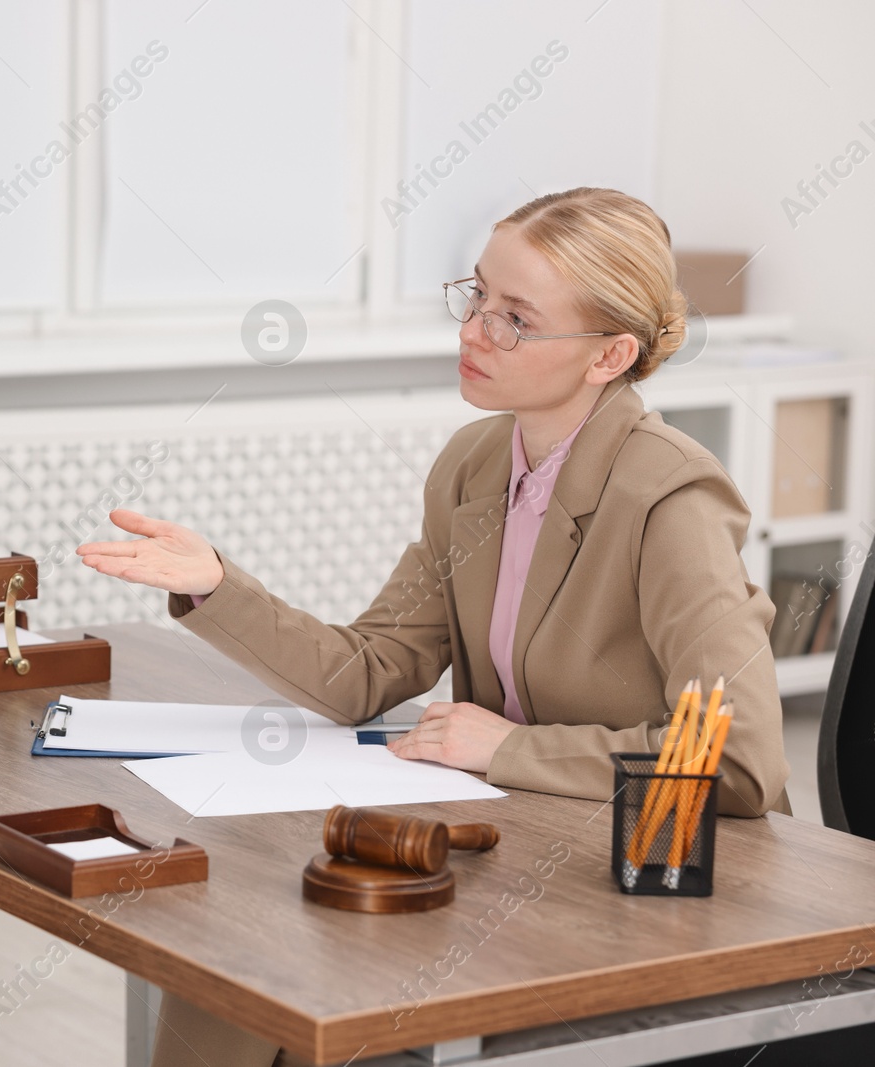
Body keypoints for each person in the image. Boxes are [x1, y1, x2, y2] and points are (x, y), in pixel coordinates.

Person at [75, 187, 792, 1067]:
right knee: (237, 959)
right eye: (477, 296)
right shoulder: (475, 464)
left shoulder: (671, 495)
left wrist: (506, 750)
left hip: (658, 883)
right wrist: (217, 583)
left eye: (516, 319)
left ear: (610, 353)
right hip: (521, 840)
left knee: (305, 981)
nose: (475, 330)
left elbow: (738, 758)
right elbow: (369, 669)